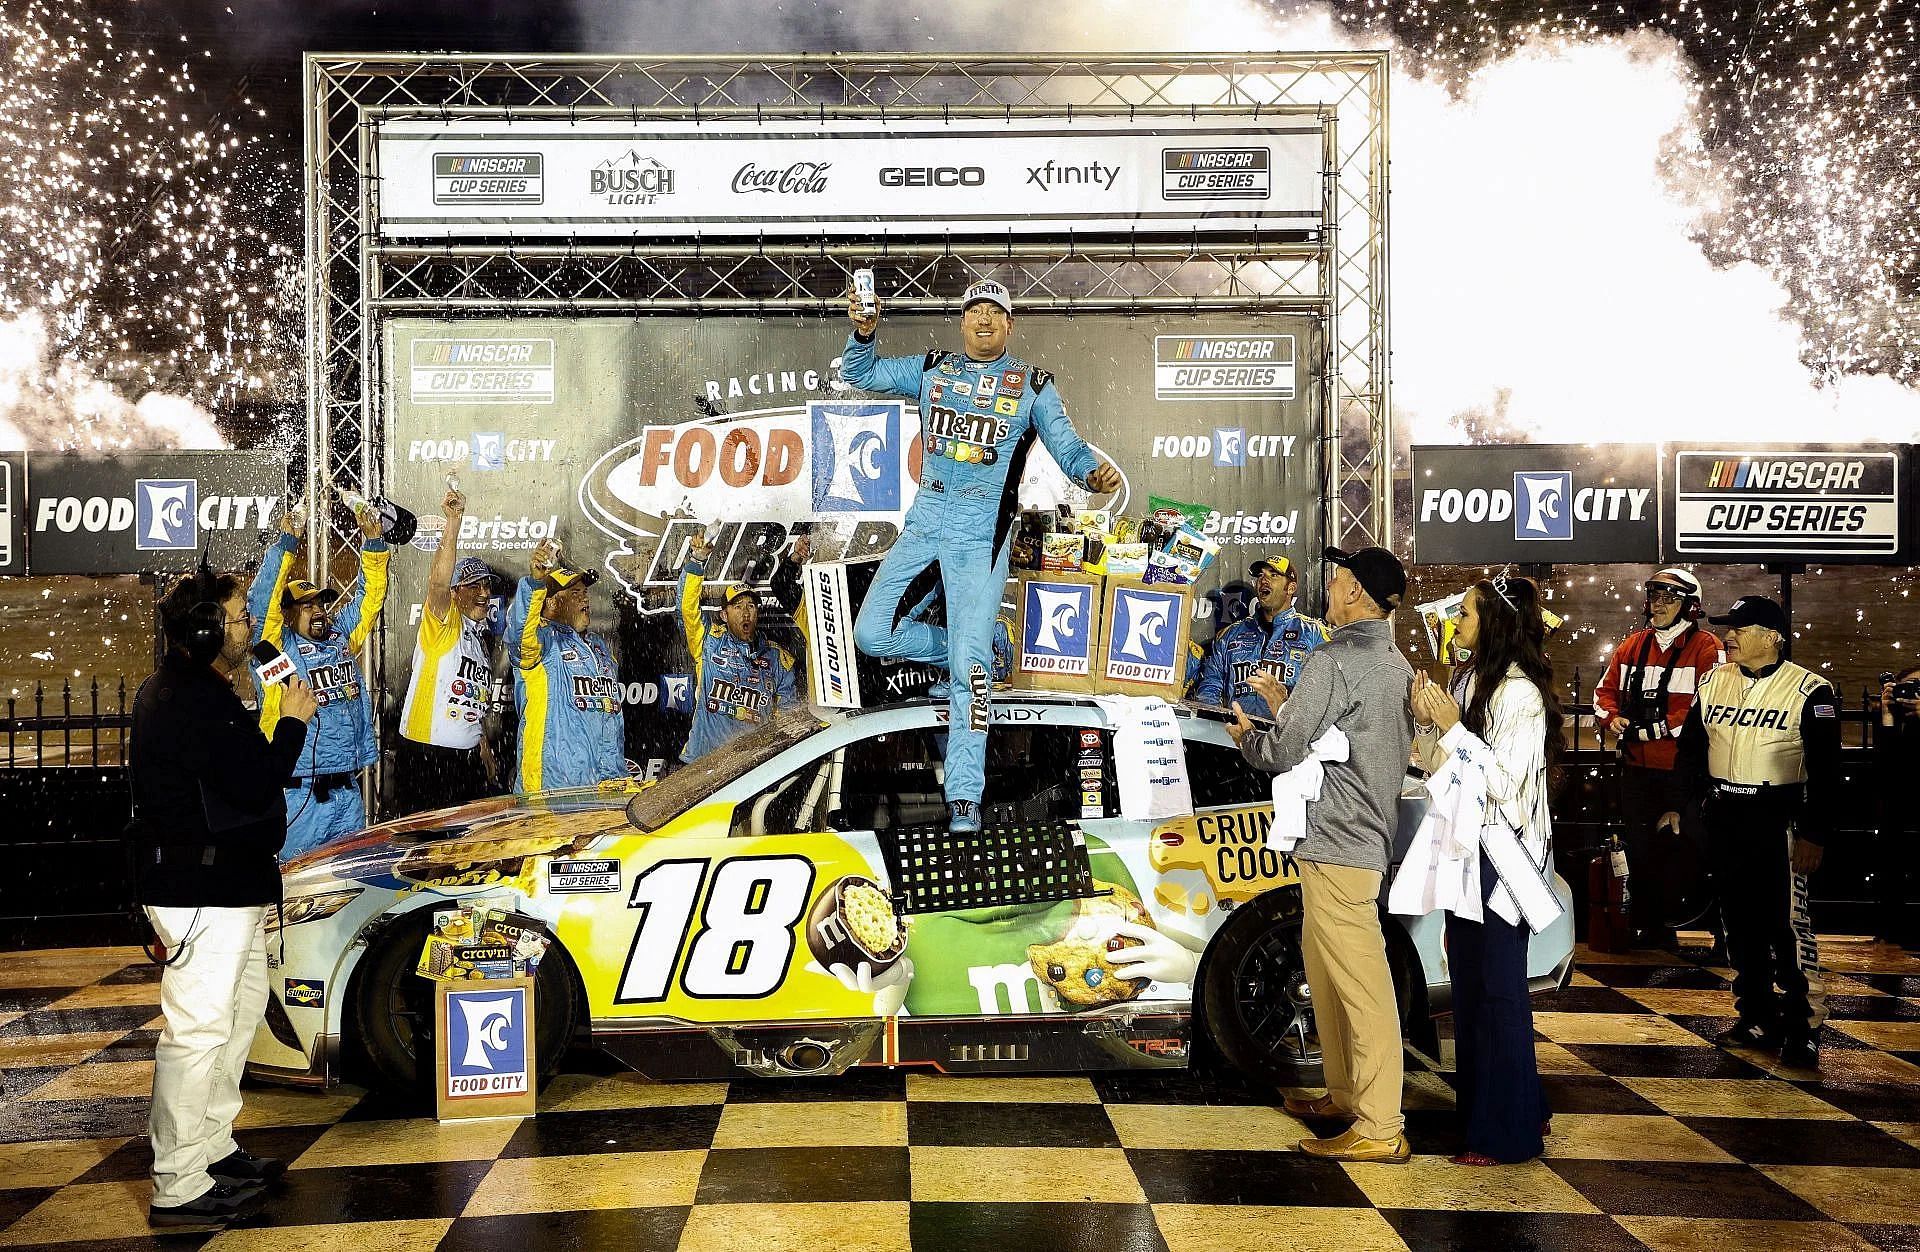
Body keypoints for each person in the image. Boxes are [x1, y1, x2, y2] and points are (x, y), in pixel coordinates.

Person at [840, 278, 1123, 834]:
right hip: (926, 523)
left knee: (970, 676)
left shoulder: (1034, 385)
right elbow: (860, 374)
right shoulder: (933, 368)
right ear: (961, 321)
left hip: (981, 535)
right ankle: (970, 657)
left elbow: (1066, 446)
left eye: (996, 312)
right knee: (871, 634)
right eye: (975, 311)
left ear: (1010, 325)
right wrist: (863, 333)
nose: (985, 320)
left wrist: (1091, 472)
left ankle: (964, 807)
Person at [131, 567, 317, 1227]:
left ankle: (212, 1145)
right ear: (208, 628)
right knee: (197, 1031)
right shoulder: (186, 699)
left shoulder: (204, 691)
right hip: (199, 890)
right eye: (239, 618)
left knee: (236, 1018)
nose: (248, 630)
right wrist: (290, 723)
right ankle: (178, 1186)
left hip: (227, 886)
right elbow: (253, 780)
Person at [1227, 545, 1415, 1163]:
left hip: (1338, 841)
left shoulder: (1333, 658)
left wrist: (1251, 737)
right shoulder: (1392, 662)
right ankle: (1343, 1093)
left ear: (1355, 593)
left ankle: (1381, 1125)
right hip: (1357, 838)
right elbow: (1338, 737)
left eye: (1335, 579)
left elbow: (1285, 752)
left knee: (1361, 985)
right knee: (1328, 970)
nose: (1327, 587)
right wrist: (1286, 706)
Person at [1406, 575, 1561, 1165]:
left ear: (1494, 622)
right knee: (1471, 988)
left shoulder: (1520, 695)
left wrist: (1449, 729)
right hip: (1465, 850)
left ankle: (1508, 1132)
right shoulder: (1468, 680)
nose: (1457, 622)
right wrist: (1429, 726)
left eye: (1467, 614)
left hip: (1506, 859)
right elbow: (1446, 767)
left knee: (1499, 992)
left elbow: (1506, 787)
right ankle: (1497, 1110)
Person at [1664, 595, 1837, 1070]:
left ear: (1773, 636)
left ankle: (1803, 1028)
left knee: (1788, 929)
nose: (1729, 636)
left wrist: (1813, 835)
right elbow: (1691, 752)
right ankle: (1756, 1016)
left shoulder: (1810, 691)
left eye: (1740, 628)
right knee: (1738, 927)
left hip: (1778, 820)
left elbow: (1825, 772)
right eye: (1729, 628)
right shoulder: (1713, 681)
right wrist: (1685, 807)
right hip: (1725, 817)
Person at [249, 498, 389, 858]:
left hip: (347, 791)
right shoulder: (278, 649)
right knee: (299, 888)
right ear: (288, 614)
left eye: (322, 604)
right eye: (308, 605)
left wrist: (373, 544)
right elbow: (263, 604)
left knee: (353, 885)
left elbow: (369, 598)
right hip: (300, 796)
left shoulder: (342, 637)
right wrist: (287, 543)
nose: (319, 611)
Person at [1593, 567, 1723, 946]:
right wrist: (1613, 719)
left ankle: (1716, 930)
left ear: (1691, 606)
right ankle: (1652, 928)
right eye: (1654, 595)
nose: (1658, 604)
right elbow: (1604, 694)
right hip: (1637, 770)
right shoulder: (1632, 646)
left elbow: (1706, 705)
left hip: (1683, 773)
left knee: (1693, 848)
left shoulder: (1706, 647)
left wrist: (1659, 728)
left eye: (1669, 597)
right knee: (1640, 848)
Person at [395, 487, 500, 811]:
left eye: (486, 584)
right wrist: (453, 522)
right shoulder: (443, 622)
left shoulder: (478, 639)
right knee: (427, 858)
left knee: (468, 855)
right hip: (428, 760)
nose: (484, 592)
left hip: (463, 762)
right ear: (455, 593)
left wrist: (481, 741)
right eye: (473, 585)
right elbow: (437, 584)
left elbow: (468, 695)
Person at [504, 539, 625, 792]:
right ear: (552, 603)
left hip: (606, 785)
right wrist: (536, 583)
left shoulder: (600, 648)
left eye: (585, 592)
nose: (585, 598)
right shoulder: (542, 643)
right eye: (574, 593)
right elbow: (520, 634)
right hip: (553, 789)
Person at [679, 530, 801, 763]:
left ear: (758, 612)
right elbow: (687, 609)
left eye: (751, 606)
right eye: (737, 606)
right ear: (724, 614)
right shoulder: (708, 640)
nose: (745, 612)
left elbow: (789, 719)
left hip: (747, 771)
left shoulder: (778, 658)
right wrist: (697, 562)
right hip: (700, 764)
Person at [1192, 553, 1328, 717]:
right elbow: (1210, 686)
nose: (1264, 580)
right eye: (1261, 575)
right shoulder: (1230, 634)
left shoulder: (1314, 634)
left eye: (1274, 575)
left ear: (1290, 588)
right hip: (1237, 736)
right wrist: (1215, 727)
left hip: (1286, 738)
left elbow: (1324, 694)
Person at [1872, 666, 1920, 948]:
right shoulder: (1902, 723)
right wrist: (1887, 716)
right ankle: (1892, 930)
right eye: (1907, 687)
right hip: (1899, 808)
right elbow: (1886, 765)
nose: (1912, 694)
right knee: (1894, 870)